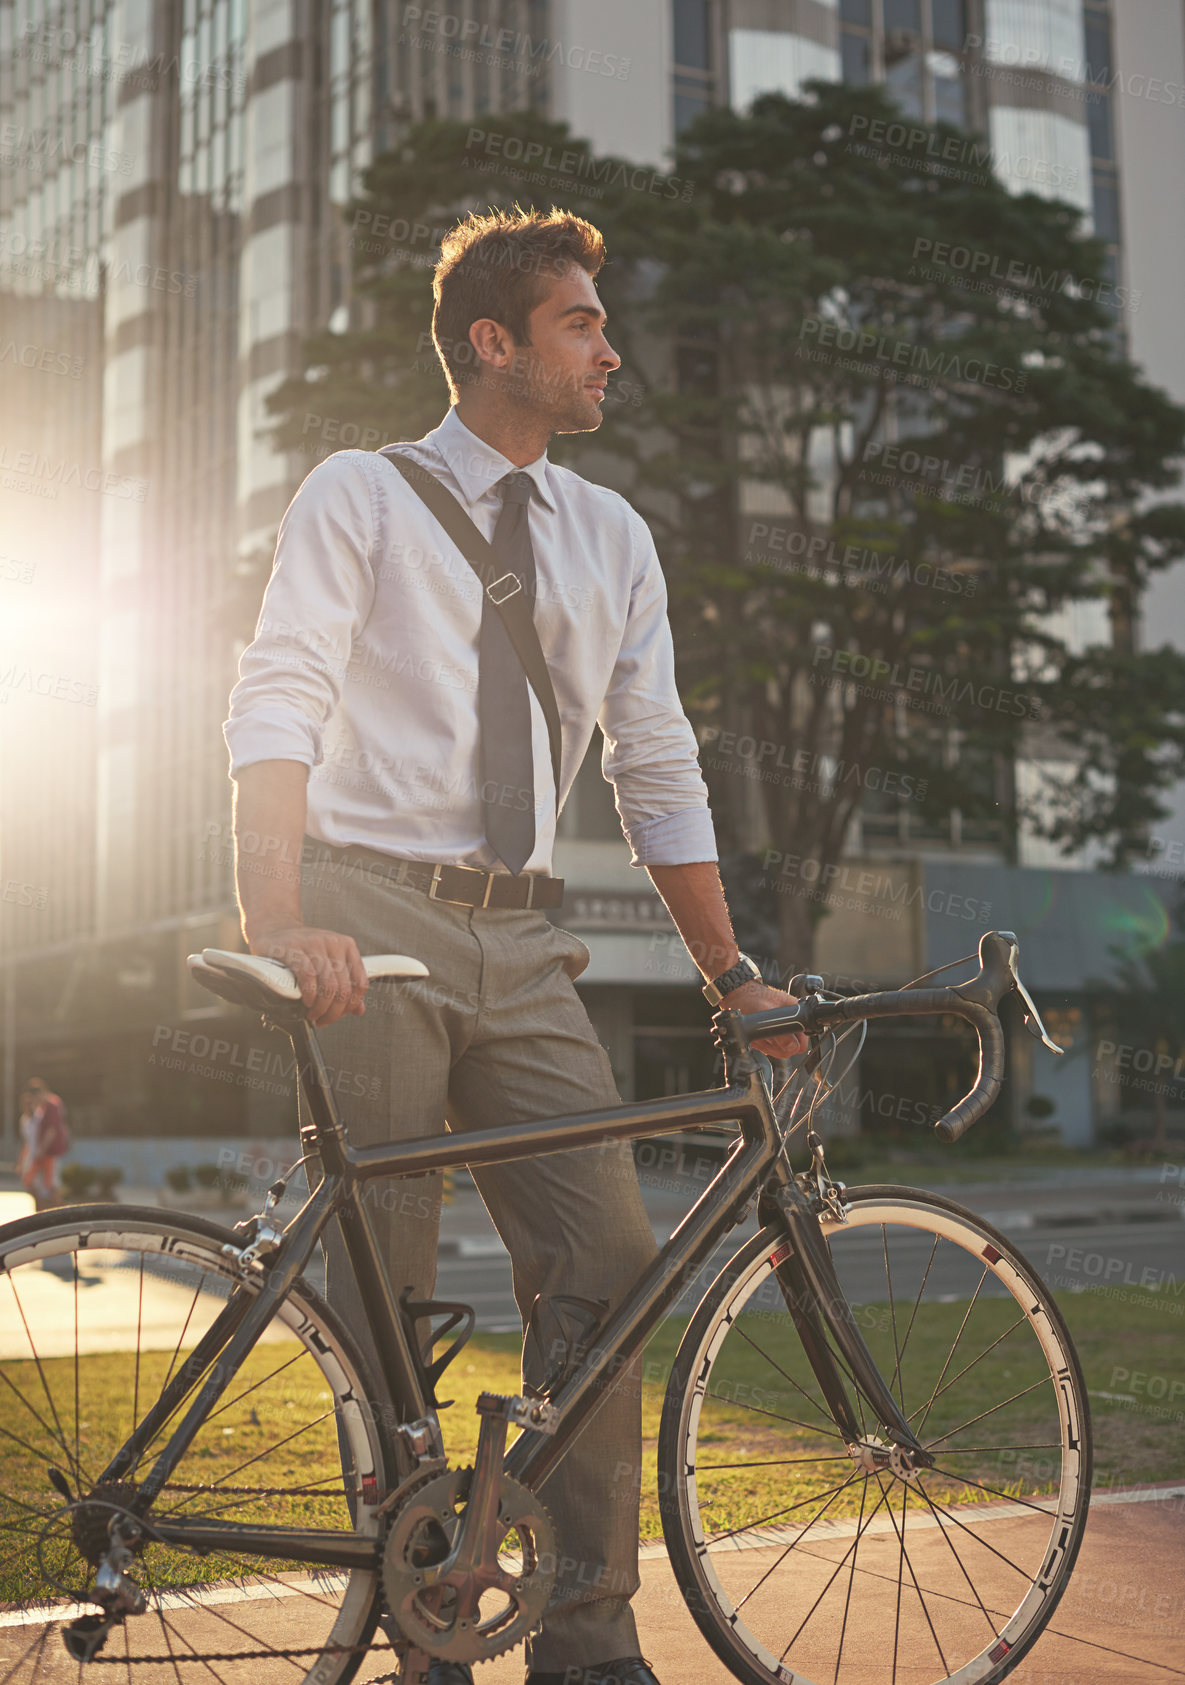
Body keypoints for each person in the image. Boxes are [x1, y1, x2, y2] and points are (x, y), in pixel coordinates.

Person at [223, 208, 807, 1685]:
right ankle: (421, 1647)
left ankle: (590, 1646)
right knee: (389, 1303)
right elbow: (279, 692)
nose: (611, 349)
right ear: (493, 342)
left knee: (609, 1267)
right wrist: (277, 918)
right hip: (372, 923)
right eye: (579, 324)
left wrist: (728, 973)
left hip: (527, 942)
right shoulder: (357, 493)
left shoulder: (610, 534)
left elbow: (655, 762)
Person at [17, 1078, 67, 1211]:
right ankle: (42, 1212)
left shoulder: (51, 1105)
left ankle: (61, 1213)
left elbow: (51, 1130)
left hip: (48, 1153)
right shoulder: (40, 1110)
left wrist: (41, 1150)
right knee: (37, 1183)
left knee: (50, 1185)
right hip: (41, 1153)